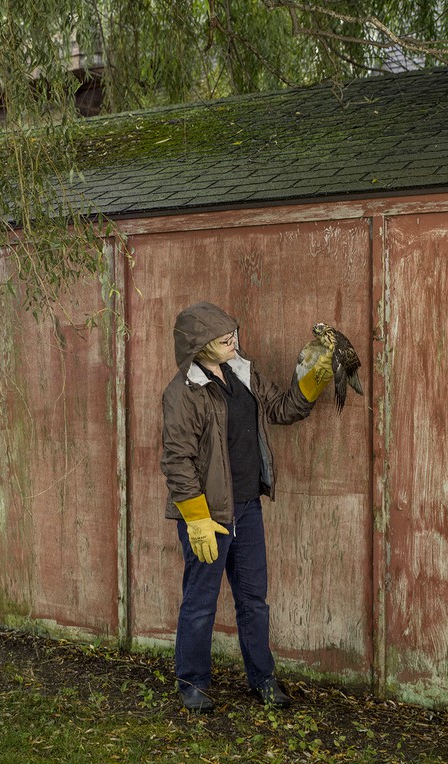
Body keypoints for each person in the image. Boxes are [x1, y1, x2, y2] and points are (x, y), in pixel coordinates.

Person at [160, 302, 334, 713]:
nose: (233, 341)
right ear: (199, 346)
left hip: (248, 507)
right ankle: (192, 682)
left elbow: (282, 408)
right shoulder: (183, 392)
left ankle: (262, 678)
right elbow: (177, 459)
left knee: (254, 600)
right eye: (224, 339)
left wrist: (316, 374)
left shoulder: (244, 373)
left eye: (233, 334)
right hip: (208, 514)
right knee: (200, 600)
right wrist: (196, 518)